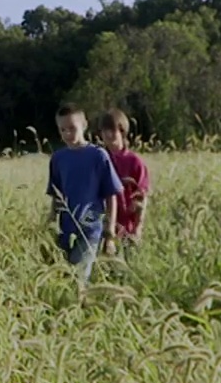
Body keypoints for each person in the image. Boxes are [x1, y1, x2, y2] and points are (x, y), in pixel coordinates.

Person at [46, 103, 124, 288]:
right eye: (62, 130)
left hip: (90, 226)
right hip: (65, 227)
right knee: (62, 278)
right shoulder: (58, 158)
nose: (67, 134)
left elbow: (111, 195)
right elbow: (56, 195)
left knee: (79, 277)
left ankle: (79, 306)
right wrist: (50, 221)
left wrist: (110, 233)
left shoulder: (98, 155)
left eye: (72, 128)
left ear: (84, 125)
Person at [98, 108, 151, 254]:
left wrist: (138, 228)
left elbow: (141, 197)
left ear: (122, 131)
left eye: (112, 130)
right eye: (104, 130)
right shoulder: (99, 159)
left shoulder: (134, 162)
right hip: (102, 228)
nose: (108, 135)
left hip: (127, 228)